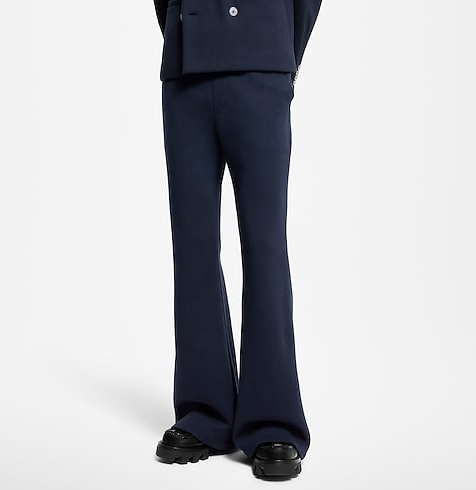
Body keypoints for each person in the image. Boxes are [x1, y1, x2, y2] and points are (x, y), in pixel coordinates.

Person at [152, 0, 323, 478]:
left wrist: (280, 50)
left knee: (265, 248)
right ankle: (204, 412)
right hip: (186, 69)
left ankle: (274, 420)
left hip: (262, 64)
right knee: (193, 247)